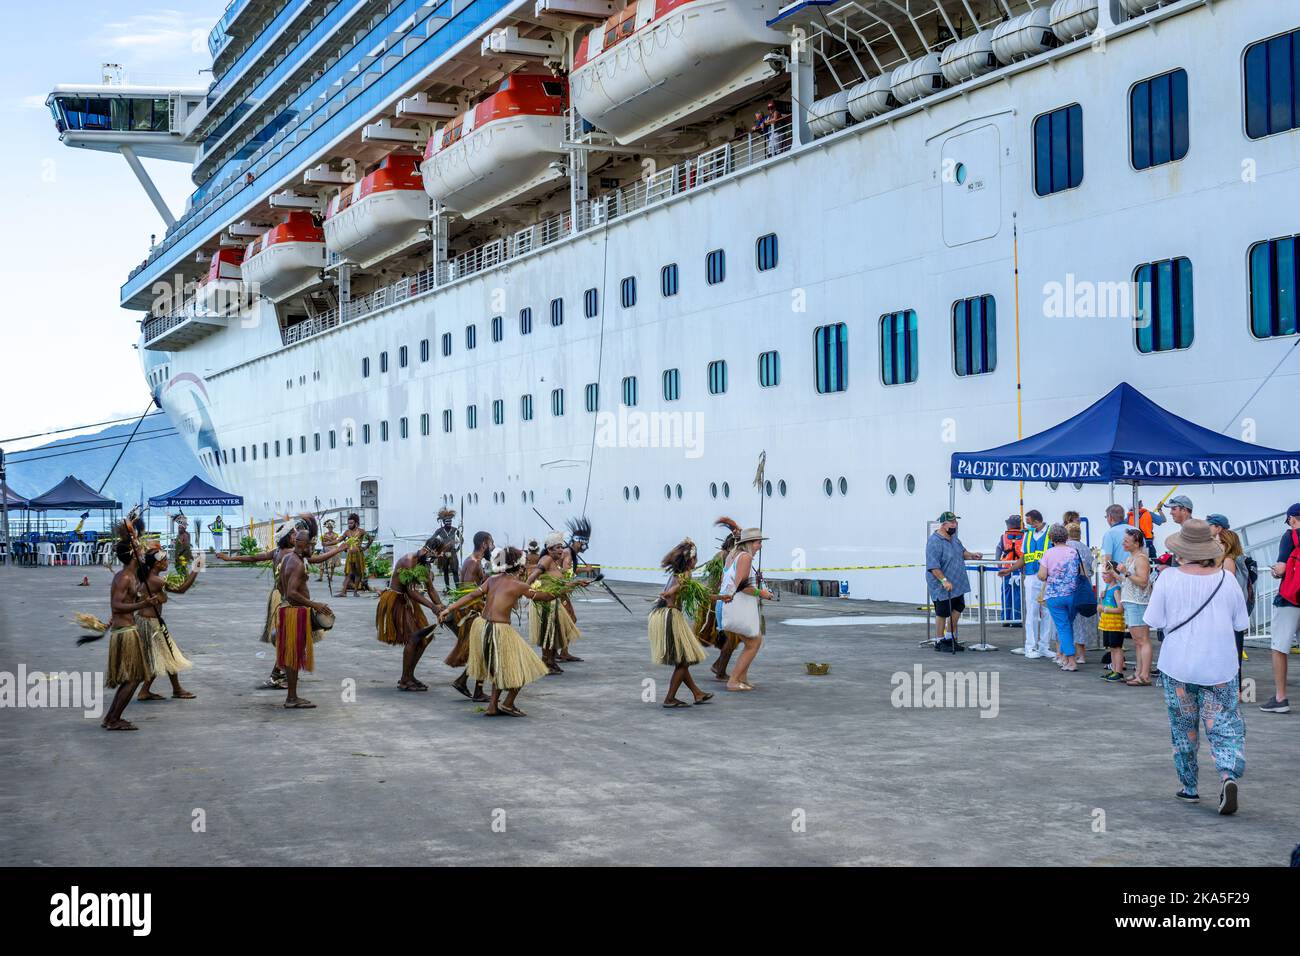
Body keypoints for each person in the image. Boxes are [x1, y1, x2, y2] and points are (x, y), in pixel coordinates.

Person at [1143, 519, 1248, 813]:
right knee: (1225, 725)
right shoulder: (1227, 580)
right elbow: (1241, 623)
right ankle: (1227, 775)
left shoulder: (1168, 579)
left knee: (1183, 728)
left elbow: (1154, 621)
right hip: (1220, 666)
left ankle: (1189, 787)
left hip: (1178, 665)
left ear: (1180, 551)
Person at [219, 518, 344, 690]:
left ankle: (284, 673)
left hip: (282, 598)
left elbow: (254, 557)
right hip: (289, 600)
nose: (295, 536)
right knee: (290, 640)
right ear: (288, 537)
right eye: (293, 534)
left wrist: (229, 558)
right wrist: (339, 549)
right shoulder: (290, 555)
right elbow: (314, 560)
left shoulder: (278, 552)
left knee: (291, 640)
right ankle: (279, 673)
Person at [438, 547, 555, 717]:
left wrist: (449, 609)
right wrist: (562, 591)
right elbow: (542, 597)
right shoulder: (519, 585)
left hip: (483, 626)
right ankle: (507, 704)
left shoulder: (492, 580)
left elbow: (471, 596)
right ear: (519, 566)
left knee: (500, 667)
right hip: (499, 629)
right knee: (520, 667)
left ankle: (493, 706)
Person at [76, 530, 162, 730]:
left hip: (124, 629)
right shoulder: (124, 578)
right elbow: (117, 605)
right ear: (132, 555)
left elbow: (123, 603)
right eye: (139, 549)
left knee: (133, 677)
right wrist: (143, 605)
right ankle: (113, 719)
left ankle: (111, 718)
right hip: (125, 633)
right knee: (134, 677)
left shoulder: (130, 576)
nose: (142, 551)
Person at [376, 537, 446, 691]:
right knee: (414, 637)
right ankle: (404, 679)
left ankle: (409, 676)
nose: (439, 557)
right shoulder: (409, 560)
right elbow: (411, 591)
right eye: (438, 554)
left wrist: (441, 606)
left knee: (425, 638)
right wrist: (432, 607)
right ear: (430, 550)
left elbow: (431, 589)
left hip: (408, 601)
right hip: (396, 600)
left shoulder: (424, 565)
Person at [649, 539, 713, 708]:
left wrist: (721, 598)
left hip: (663, 615)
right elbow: (679, 587)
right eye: (696, 558)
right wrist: (670, 592)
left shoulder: (676, 574)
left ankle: (697, 693)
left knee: (682, 661)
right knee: (683, 661)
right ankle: (670, 699)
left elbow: (700, 594)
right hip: (670, 616)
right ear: (690, 560)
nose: (697, 562)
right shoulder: (685, 575)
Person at [276, 529, 334, 709]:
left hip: (288, 610)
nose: (313, 549)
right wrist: (314, 605)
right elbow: (292, 592)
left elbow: (280, 585)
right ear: (302, 544)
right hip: (295, 613)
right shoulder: (298, 564)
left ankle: (292, 696)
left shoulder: (289, 559)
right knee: (293, 656)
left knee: (293, 654)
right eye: (311, 545)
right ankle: (291, 698)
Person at [134, 548, 198, 701]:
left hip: (145, 621)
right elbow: (181, 589)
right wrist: (196, 569)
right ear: (157, 563)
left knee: (162, 655)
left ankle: (146, 691)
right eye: (164, 560)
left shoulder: (146, 577)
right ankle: (176, 690)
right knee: (167, 653)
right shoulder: (156, 581)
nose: (167, 562)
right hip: (151, 624)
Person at [527, 531, 590, 674]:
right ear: (549, 549)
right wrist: (529, 593)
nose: (561, 550)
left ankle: (551, 661)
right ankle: (545, 663)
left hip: (554, 603)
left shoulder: (554, 562)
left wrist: (578, 583)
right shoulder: (546, 560)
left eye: (562, 547)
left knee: (554, 633)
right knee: (548, 633)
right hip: (546, 604)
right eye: (558, 547)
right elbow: (531, 578)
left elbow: (560, 586)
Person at [719, 527, 774, 691]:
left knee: (751, 641)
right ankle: (733, 681)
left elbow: (727, 580)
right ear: (749, 543)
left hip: (726, 603)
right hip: (736, 606)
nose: (760, 546)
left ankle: (742, 677)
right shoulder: (746, 557)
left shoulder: (732, 555)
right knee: (754, 642)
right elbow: (742, 586)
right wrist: (762, 593)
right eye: (758, 543)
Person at [1260, 503, 1300, 714]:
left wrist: (1275, 572)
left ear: (1292, 518)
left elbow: (1282, 568)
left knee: (1279, 648)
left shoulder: (1290, 536)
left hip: (1290, 600)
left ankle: (1280, 698)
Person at [1000, 510, 1055, 658]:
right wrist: (1010, 569)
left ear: (1036, 520)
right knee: (1031, 612)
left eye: (1029, 521)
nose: (1027, 524)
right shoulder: (1028, 535)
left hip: (1047, 578)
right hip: (1031, 576)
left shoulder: (1050, 532)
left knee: (1047, 613)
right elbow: (1024, 557)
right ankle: (1030, 646)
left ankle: (1044, 646)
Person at [925, 511, 982, 651]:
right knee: (942, 611)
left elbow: (962, 552)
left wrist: (972, 555)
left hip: (958, 582)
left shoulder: (955, 538)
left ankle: (950, 637)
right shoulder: (934, 541)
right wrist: (944, 580)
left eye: (956, 522)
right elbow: (933, 566)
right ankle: (939, 641)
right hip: (942, 583)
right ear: (944, 525)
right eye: (952, 523)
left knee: (958, 608)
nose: (955, 525)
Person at [446, 531, 493, 701]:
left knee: (479, 649)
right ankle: (475, 690)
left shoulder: (471, 561)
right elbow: (469, 591)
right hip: (471, 611)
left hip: (469, 610)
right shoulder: (474, 564)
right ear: (484, 544)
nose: (492, 547)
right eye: (491, 543)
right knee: (482, 648)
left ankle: (463, 681)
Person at [1111, 528, 1154, 686]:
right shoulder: (1130, 558)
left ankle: (1145, 675)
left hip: (1138, 602)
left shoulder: (1141, 559)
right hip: (1130, 601)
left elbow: (1143, 582)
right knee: (1137, 641)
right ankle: (1139, 672)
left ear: (1136, 543)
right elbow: (1128, 582)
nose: (1123, 543)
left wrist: (1126, 573)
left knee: (1142, 640)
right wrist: (1118, 575)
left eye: (1126, 541)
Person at [701, 517, 742, 680]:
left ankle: (719, 666)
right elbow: (722, 581)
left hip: (720, 599)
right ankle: (719, 669)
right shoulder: (726, 556)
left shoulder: (723, 555)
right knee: (731, 639)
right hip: (722, 599)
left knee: (732, 638)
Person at [1038, 524, 1081, 671]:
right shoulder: (1073, 552)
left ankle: (1070, 660)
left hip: (1055, 596)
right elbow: (1080, 572)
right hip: (1073, 594)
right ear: (1066, 536)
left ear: (1051, 538)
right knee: (1068, 626)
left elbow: (1042, 575)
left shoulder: (1048, 553)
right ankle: (1065, 657)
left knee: (1063, 628)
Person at [1065, 521, 1094, 665]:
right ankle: (1082, 655)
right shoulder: (1087, 549)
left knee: (1070, 621)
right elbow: (1092, 569)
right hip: (1084, 586)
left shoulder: (1067, 547)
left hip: (1070, 587)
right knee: (1082, 622)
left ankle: (1069, 654)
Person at [1096, 568, 1127, 682]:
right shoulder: (1107, 589)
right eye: (1102, 573)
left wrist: (1105, 609)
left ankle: (1118, 672)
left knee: (1117, 647)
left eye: (1106, 573)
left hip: (1115, 623)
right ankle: (1114, 669)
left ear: (1114, 575)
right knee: (1112, 648)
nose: (1103, 576)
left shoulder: (1116, 590)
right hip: (1108, 624)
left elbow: (1120, 608)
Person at [995, 515, 1024, 627]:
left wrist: (998, 565)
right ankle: (1017, 619)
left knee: (1006, 593)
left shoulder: (1004, 537)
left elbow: (998, 550)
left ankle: (1006, 619)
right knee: (1018, 594)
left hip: (1006, 568)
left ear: (1009, 524)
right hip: (1019, 568)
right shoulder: (1025, 536)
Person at [339, 513, 371, 597]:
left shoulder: (361, 531)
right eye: (348, 523)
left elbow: (370, 538)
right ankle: (343, 592)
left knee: (358, 573)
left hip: (358, 555)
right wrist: (326, 543)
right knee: (348, 573)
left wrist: (365, 547)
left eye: (351, 523)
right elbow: (339, 540)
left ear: (356, 523)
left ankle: (355, 592)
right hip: (350, 555)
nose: (349, 525)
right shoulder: (347, 532)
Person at [431, 507, 462, 590]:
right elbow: (432, 539)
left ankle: (458, 588)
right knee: (445, 571)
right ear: (444, 522)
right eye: (447, 522)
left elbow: (461, 540)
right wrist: (437, 549)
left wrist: (457, 549)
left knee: (455, 570)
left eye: (450, 521)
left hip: (452, 552)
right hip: (444, 553)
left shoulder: (455, 530)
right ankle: (448, 588)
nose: (449, 523)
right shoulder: (439, 531)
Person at [1099, 504, 1137, 568]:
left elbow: (1106, 560)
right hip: (1137, 576)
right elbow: (1144, 555)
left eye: (1106, 517)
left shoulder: (1109, 534)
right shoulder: (1137, 530)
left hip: (1118, 576)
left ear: (1110, 517)